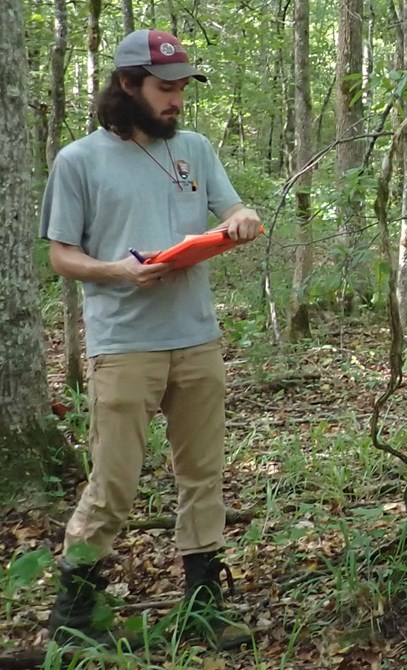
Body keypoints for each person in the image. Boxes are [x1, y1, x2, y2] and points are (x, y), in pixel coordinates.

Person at [40, 29, 262, 644]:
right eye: (165, 89)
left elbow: (230, 210)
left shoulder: (194, 148)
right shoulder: (78, 160)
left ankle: (204, 605)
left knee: (203, 475)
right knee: (113, 481)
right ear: (126, 85)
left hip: (194, 336)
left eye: (183, 88)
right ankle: (74, 616)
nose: (177, 101)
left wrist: (239, 220)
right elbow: (62, 254)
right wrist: (119, 271)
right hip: (122, 342)